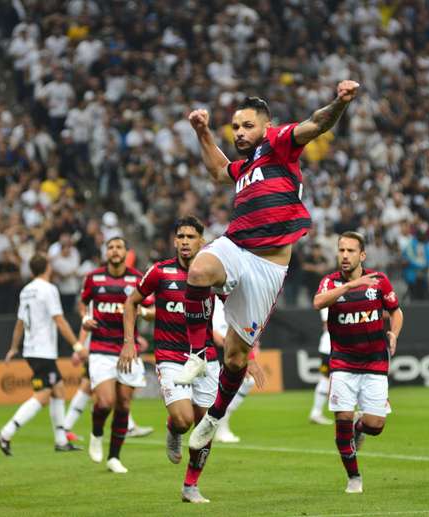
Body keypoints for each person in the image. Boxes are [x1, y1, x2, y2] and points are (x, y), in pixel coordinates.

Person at [180, 80, 360, 453]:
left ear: (265, 126)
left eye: (247, 126)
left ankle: (214, 417)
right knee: (197, 271)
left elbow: (316, 124)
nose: (240, 132)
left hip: (268, 267)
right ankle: (197, 354)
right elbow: (218, 170)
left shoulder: (279, 143)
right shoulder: (245, 167)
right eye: (235, 127)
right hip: (236, 244)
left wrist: (339, 103)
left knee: (235, 358)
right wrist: (202, 131)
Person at [120, 216, 242, 503]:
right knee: (183, 419)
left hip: (207, 358)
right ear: (175, 241)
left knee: (205, 427)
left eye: (190, 237)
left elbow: (236, 313)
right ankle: (173, 429)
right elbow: (131, 302)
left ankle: (190, 485)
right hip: (171, 356)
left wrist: (247, 353)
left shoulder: (212, 274)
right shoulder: (160, 273)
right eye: (181, 237)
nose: (185, 242)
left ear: (202, 241)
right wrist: (129, 342)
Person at [313, 232, 404, 494]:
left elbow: (396, 310)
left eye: (350, 251)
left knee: (376, 426)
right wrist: (349, 286)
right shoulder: (330, 283)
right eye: (341, 250)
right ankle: (354, 478)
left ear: (362, 255)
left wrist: (393, 333)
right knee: (341, 419)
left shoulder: (379, 282)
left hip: (375, 362)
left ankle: (359, 425)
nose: (344, 255)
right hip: (342, 362)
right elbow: (318, 302)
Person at [0, 254, 85, 456]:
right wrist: (77, 346)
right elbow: (59, 320)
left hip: (31, 349)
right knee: (43, 395)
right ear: (47, 268)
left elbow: (19, 323)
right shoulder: (49, 289)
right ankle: (6, 433)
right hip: (43, 351)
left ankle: (61, 441)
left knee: (58, 389)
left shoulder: (26, 290)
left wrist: (14, 347)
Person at [80, 237, 153, 473]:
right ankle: (96, 432)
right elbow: (83, 303)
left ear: (125, 252)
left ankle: (114, 457)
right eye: (110, 247)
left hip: (127, 348)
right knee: (104, 402)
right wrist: (84, 318)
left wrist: (143, 311)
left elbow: (151, 308)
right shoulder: (94, 277)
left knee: (123, 404)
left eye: (118, 247)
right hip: (101, 347)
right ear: (106, 252)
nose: (114, 251)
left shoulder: (137, 278)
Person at [211, 295, 257, 443]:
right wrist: (212, 332)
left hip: (234, 343)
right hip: (212, 345)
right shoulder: (210, 291)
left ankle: (221, 421)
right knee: (214, 387)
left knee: (247, 381)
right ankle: (218, 425)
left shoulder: (239, 295)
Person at [308, 307, 333, 425]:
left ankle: (316, 412)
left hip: (331, 347)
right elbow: (327, 323)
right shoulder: (328, 300)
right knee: (326, 379)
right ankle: (316, 412)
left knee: (327, 379)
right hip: (329, 347)